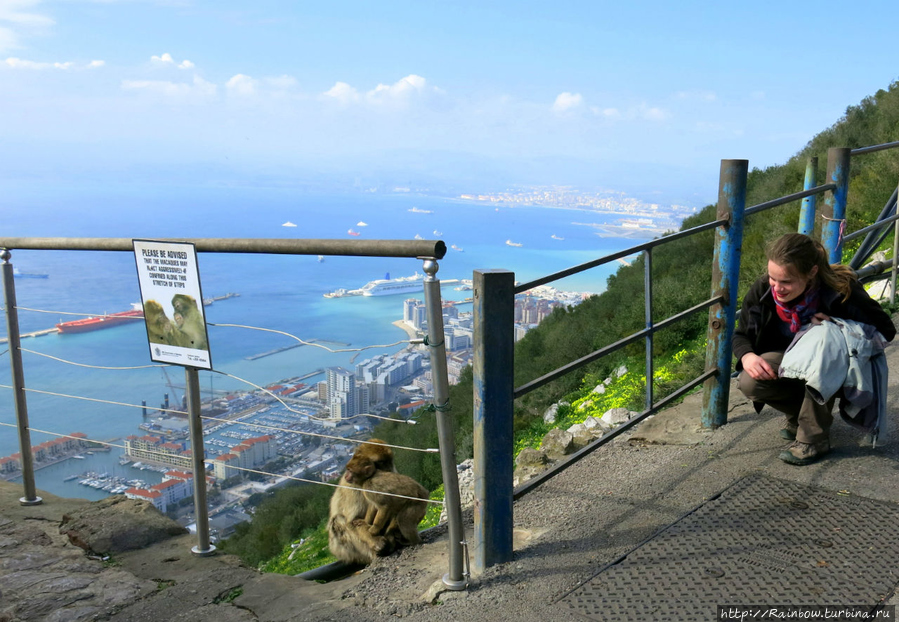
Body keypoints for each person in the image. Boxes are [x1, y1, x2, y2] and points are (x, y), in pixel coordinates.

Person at [733, 233, 896, 465]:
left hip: (838, 368)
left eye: (787, 282)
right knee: (749, 380)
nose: (777, 288)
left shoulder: (841, 290)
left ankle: (813, 439)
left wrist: (837, 324)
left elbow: (885, 329)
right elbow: (741, 335)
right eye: (772, 278)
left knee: (823, 342)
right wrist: (747, 356)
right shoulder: (763, 291)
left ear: (812, 273)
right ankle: (803, 416)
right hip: (788, 362)